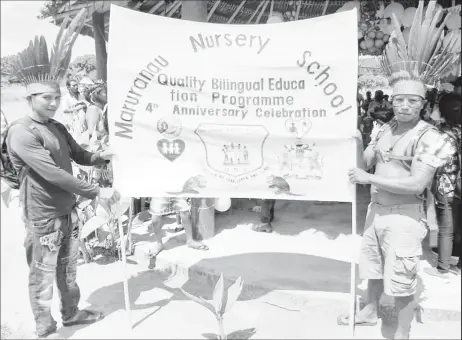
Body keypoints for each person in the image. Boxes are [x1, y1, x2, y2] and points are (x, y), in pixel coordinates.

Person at [337, 4, 453, 336]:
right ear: (392, 99)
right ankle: (369, 311)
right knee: (371, 268)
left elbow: (418, 182)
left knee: (401, 281)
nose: (404, 105)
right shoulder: (384, 130)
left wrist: (368, 177)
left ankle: (402, 332)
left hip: (405, 216)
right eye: (399, 99)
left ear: (423, 103)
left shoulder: (430, 137)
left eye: (412, 102)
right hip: (376, 211)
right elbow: (363, 166)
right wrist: (359, 143)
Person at [6, 18, 120, 338]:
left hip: (68, 212)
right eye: (47, 98)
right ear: (31, 98)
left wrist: (104, 156)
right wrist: (97, 191)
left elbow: (79, 156)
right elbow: (53, 173)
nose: (54, 103)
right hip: (43, 218)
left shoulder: (57, 127)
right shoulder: (21, 132)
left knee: (68, 271)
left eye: (56, 97)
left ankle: (71, 314)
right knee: (42, 275)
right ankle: (45, 326)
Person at [424, 93, 462, 278]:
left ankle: (443, 267)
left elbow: (435, 161)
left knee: (446, 227)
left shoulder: (442, 135)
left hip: (446, 185)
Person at [146, 197, 209, 269]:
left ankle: (190, 241)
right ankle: (159, 243)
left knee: (185, 213)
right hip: (159, 191)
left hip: (176, 190)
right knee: (155, 218)